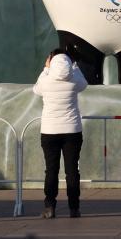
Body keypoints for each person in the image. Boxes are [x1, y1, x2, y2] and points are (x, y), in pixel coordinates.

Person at [33, 49, 88, 218]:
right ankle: (74, 208)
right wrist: (74, 66)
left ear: (51, 60)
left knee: (51, 170)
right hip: (72, 131)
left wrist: (46, 69)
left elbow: (36, 89)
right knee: (72, 171)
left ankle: (50, 206)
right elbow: (84, 84)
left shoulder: (46, 80)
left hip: (49, 131)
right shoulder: (74, 79)